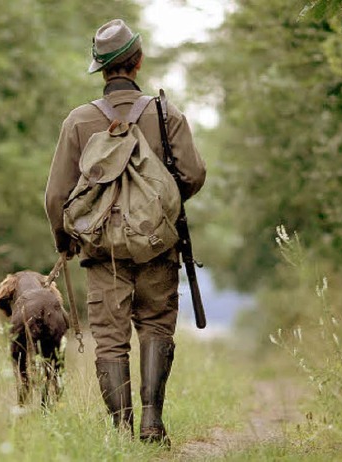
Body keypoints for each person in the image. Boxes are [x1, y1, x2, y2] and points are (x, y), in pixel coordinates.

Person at [45, 19, 206, 445]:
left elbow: (55, 197)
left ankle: (121, 433)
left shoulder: (78, 122)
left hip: (101, 253)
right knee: (156, 327)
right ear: (138, 62)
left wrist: (67, 243)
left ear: (100, 69)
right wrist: (162, 211)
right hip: (157, 246)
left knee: (111, 341)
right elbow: (193, 174)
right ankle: (153, 425)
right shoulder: (166, 113)